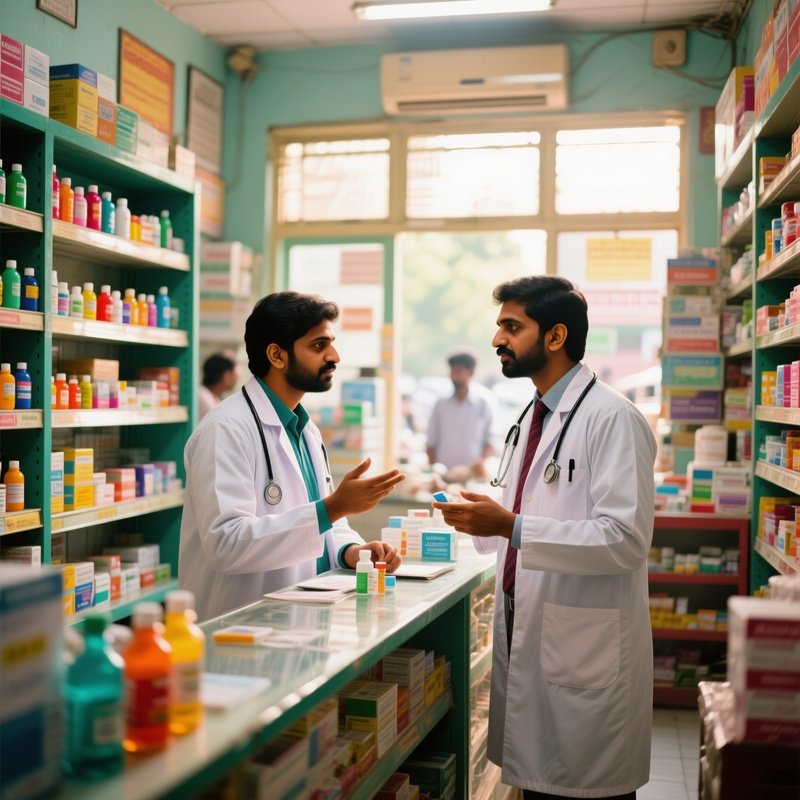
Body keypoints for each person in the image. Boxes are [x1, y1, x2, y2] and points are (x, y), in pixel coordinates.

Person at [432, 275, 656, 800]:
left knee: (583, 789)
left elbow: (625, 540)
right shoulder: (533, 414)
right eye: (499, 326)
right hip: (535, 629)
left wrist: (509, 525)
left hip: (585, 650)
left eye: (512, 327)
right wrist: (481, 518)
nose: (497, 340)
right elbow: (525, 512)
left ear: (554, 337)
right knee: (539, 788)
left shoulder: (612, 419)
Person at [180, 291, 405, 620]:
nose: (335, 356)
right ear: (277, 355)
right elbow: (226, 545)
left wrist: (351, 551)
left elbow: (318, 522)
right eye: (318, 346)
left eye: (331, 343)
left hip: (300, 620)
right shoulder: (225, 430)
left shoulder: (303, 428)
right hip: (240, 630)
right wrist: (336, 506)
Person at [426, 349, 494, 480]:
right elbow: (430, 442)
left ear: (471, 372)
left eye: (458, 372)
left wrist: (480, 463)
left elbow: (490, 441)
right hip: (443, 476)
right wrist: (435, 472)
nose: (454, 376)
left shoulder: (484, 403)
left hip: (472, 476)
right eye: (452, 371)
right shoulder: (441, 404)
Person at [199, 351, 240, 420]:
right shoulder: (203, 398)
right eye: (236, 375)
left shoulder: (211, 397)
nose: (237, 380)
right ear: (226, 376)